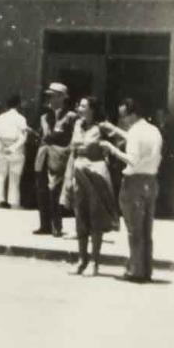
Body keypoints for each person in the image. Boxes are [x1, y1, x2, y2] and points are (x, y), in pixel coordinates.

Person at [102, 98, 163, 283]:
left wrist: (111, 149)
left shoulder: (136, 133)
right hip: (150, 182)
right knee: (146, 229)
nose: (123, 120)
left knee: (134, 229)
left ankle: (135, 270)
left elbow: (133, 159)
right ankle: (146, 269)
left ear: (132, 114)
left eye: (124, 116)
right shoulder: (153, 130)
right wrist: (115, 129)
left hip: (134, 182)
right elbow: (136, 141)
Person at [61, 96, 119, 275]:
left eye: (83, 106)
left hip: (96, 175)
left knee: (96, 217)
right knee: (80, 217)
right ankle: (81, 260)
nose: (79, 108)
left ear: (92, 109)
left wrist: (108, 150)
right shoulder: (77, 125)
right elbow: (73, 151)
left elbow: (123, 138)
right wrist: (68, 177)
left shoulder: (102, 126)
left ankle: (94, 261)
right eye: (79, 105)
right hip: (78, 174)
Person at [33, 82, 78, 237]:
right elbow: (42, 137)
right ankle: (44, 225)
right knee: (42, 191)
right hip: (43, 157)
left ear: (61, 97)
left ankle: (56, 226)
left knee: (55, 192)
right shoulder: (44, 117)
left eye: (52, 96)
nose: (49, 99)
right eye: (48, 96)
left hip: (60, 158)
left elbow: (73, 138)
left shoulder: (71, 116)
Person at [0, 94, 29, 208]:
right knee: (15, 176)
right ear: (18, 105)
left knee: (0, 175)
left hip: (2, 147)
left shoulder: (0, 118)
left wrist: (0, 147)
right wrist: (12, 148)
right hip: (16, 148)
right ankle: (14, 202)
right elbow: (23, 137)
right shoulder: (21, 118)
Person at [154, 107, 174, 218]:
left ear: (167, 116)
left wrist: (172, 153)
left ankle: (166, 211)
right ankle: (158, 210)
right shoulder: (156, 128)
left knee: (166, 187)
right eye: (158, 116)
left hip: (168, 162)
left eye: (161, 115)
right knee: (157, 186)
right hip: (158, 162)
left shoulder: (173, 128)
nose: (159, 118)